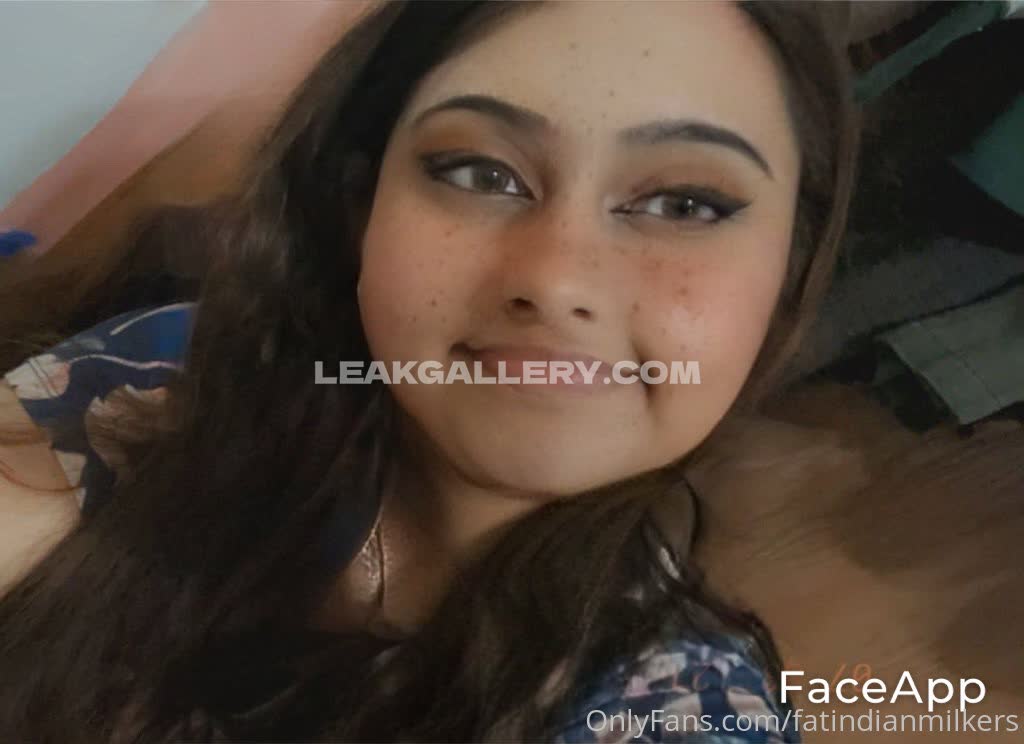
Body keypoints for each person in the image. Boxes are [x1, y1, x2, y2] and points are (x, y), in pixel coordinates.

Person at [0, 1, 860, 741]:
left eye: (685, 203)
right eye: (481, 172)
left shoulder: (681, 706)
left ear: (789, 270)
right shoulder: (178, 372)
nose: (557, 279)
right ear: (361, 208)